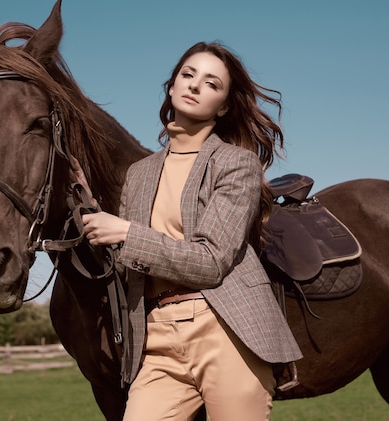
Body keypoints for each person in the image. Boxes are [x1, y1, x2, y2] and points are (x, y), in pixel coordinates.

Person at [78, 41, 302, 421]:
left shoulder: (236, 165)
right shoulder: (140, 172)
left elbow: (211, 261)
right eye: (188, 74)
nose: (195, 85)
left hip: (225, 329)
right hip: (157, 337)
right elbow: (130, 262)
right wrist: (89, 208)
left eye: (212, 83)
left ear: (226, 105)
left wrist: (126, 233)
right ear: (172, 86)